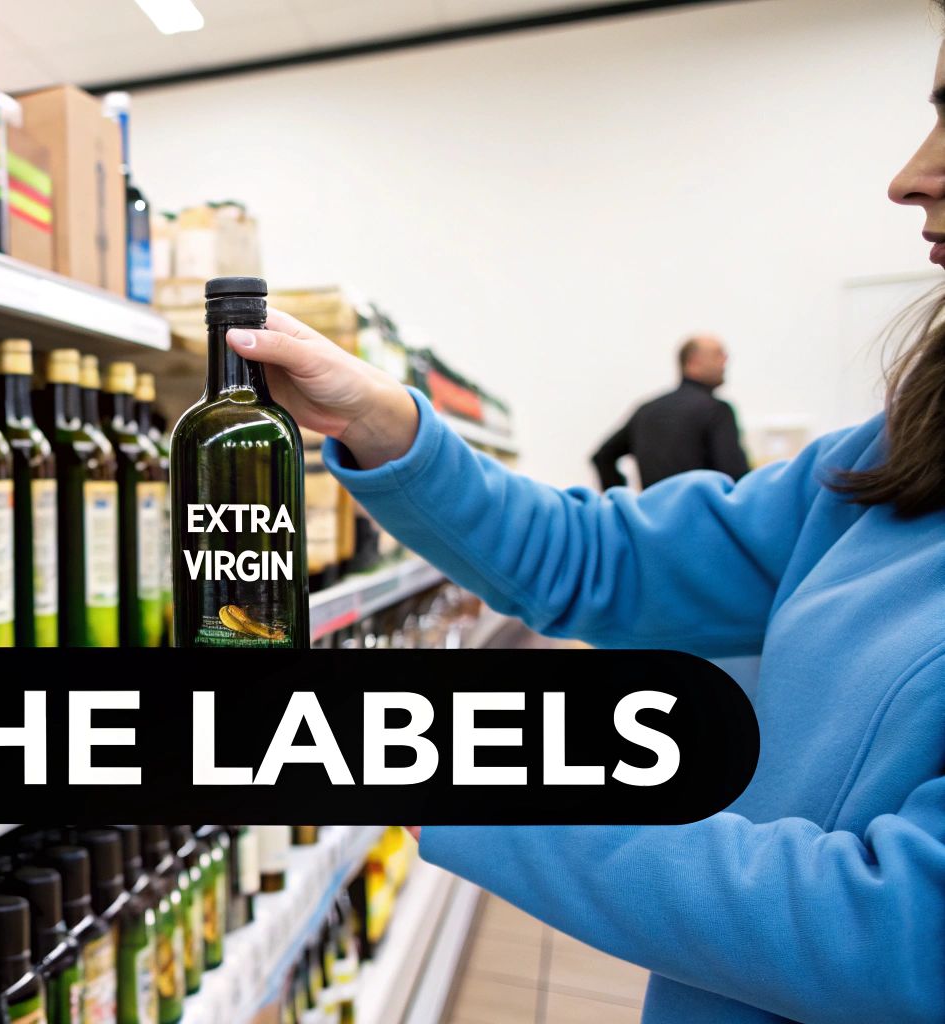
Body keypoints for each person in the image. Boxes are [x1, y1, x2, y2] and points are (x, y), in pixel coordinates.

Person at [218, 18, 945, 1022]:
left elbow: (897, 930)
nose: (907, 176)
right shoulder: (891, 455)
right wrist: (380, 421)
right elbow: (595, 557)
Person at [591, 334, 751, 490]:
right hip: (700, 514)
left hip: (652, 515)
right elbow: (736, 476)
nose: (725, 360)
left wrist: (622, 504)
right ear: (694, 362)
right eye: (718, 354)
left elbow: (602, 457)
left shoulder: (647, 410)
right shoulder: (716, 410)